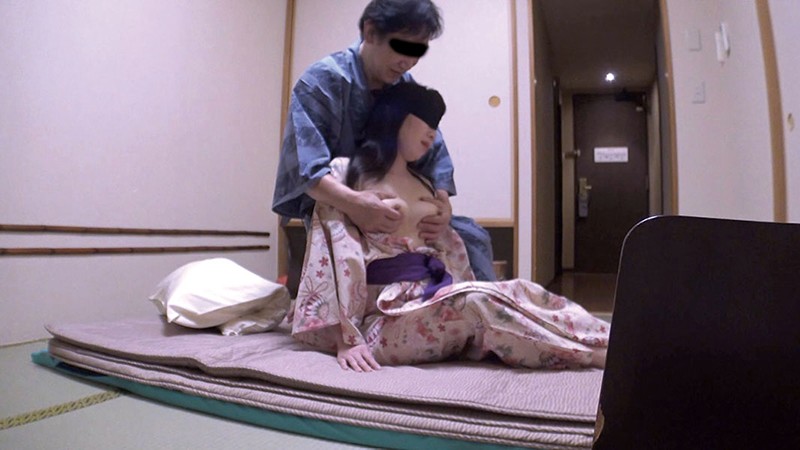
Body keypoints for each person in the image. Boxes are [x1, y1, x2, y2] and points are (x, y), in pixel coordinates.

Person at [291, 83, 610, 372]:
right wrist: (345, 338)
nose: (433, 133)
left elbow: (450, 252)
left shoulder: (425, 183)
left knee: (518, 290)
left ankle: (610, 338)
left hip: (434, 297)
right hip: (382, 321)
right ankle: (591, 357)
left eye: (436, 126)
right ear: (396, 116)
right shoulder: (346, 173)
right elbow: (330, 251)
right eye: (425, 121)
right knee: (475, 303)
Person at [272, 0, 496, 281]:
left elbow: (435, 152)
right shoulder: (322, 81)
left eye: (418, 52)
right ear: (370, 32)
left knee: (473, 239)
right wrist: (356, 204)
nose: (408, 61)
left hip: (400, 210)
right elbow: (306, 168)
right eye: (402, 47)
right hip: (337, 208)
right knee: (348, 262)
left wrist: (442, 206)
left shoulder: (406, 87)